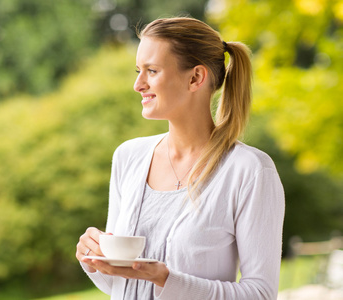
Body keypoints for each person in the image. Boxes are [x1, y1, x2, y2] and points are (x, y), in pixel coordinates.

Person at [75, 16, 285, 300]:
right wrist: (95, 261)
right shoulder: (128, 157)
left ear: (196, 77)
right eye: (138, 70)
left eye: (152, 70)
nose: (138, 84)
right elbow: (125, 284)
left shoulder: (249, 171)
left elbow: (260, 294)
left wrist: (166, 279)